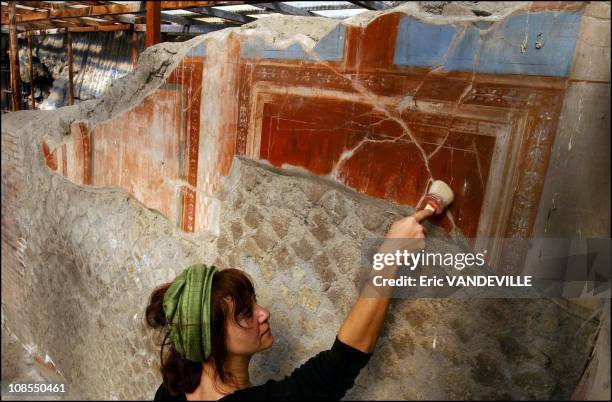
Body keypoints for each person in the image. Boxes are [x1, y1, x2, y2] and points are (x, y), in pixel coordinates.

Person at [147, 209, 433, 401]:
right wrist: (390, 255)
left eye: (254, 304)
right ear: (212, 338)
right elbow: (341, 363)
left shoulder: (170, 393)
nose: (264, 313)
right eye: (247, 313)